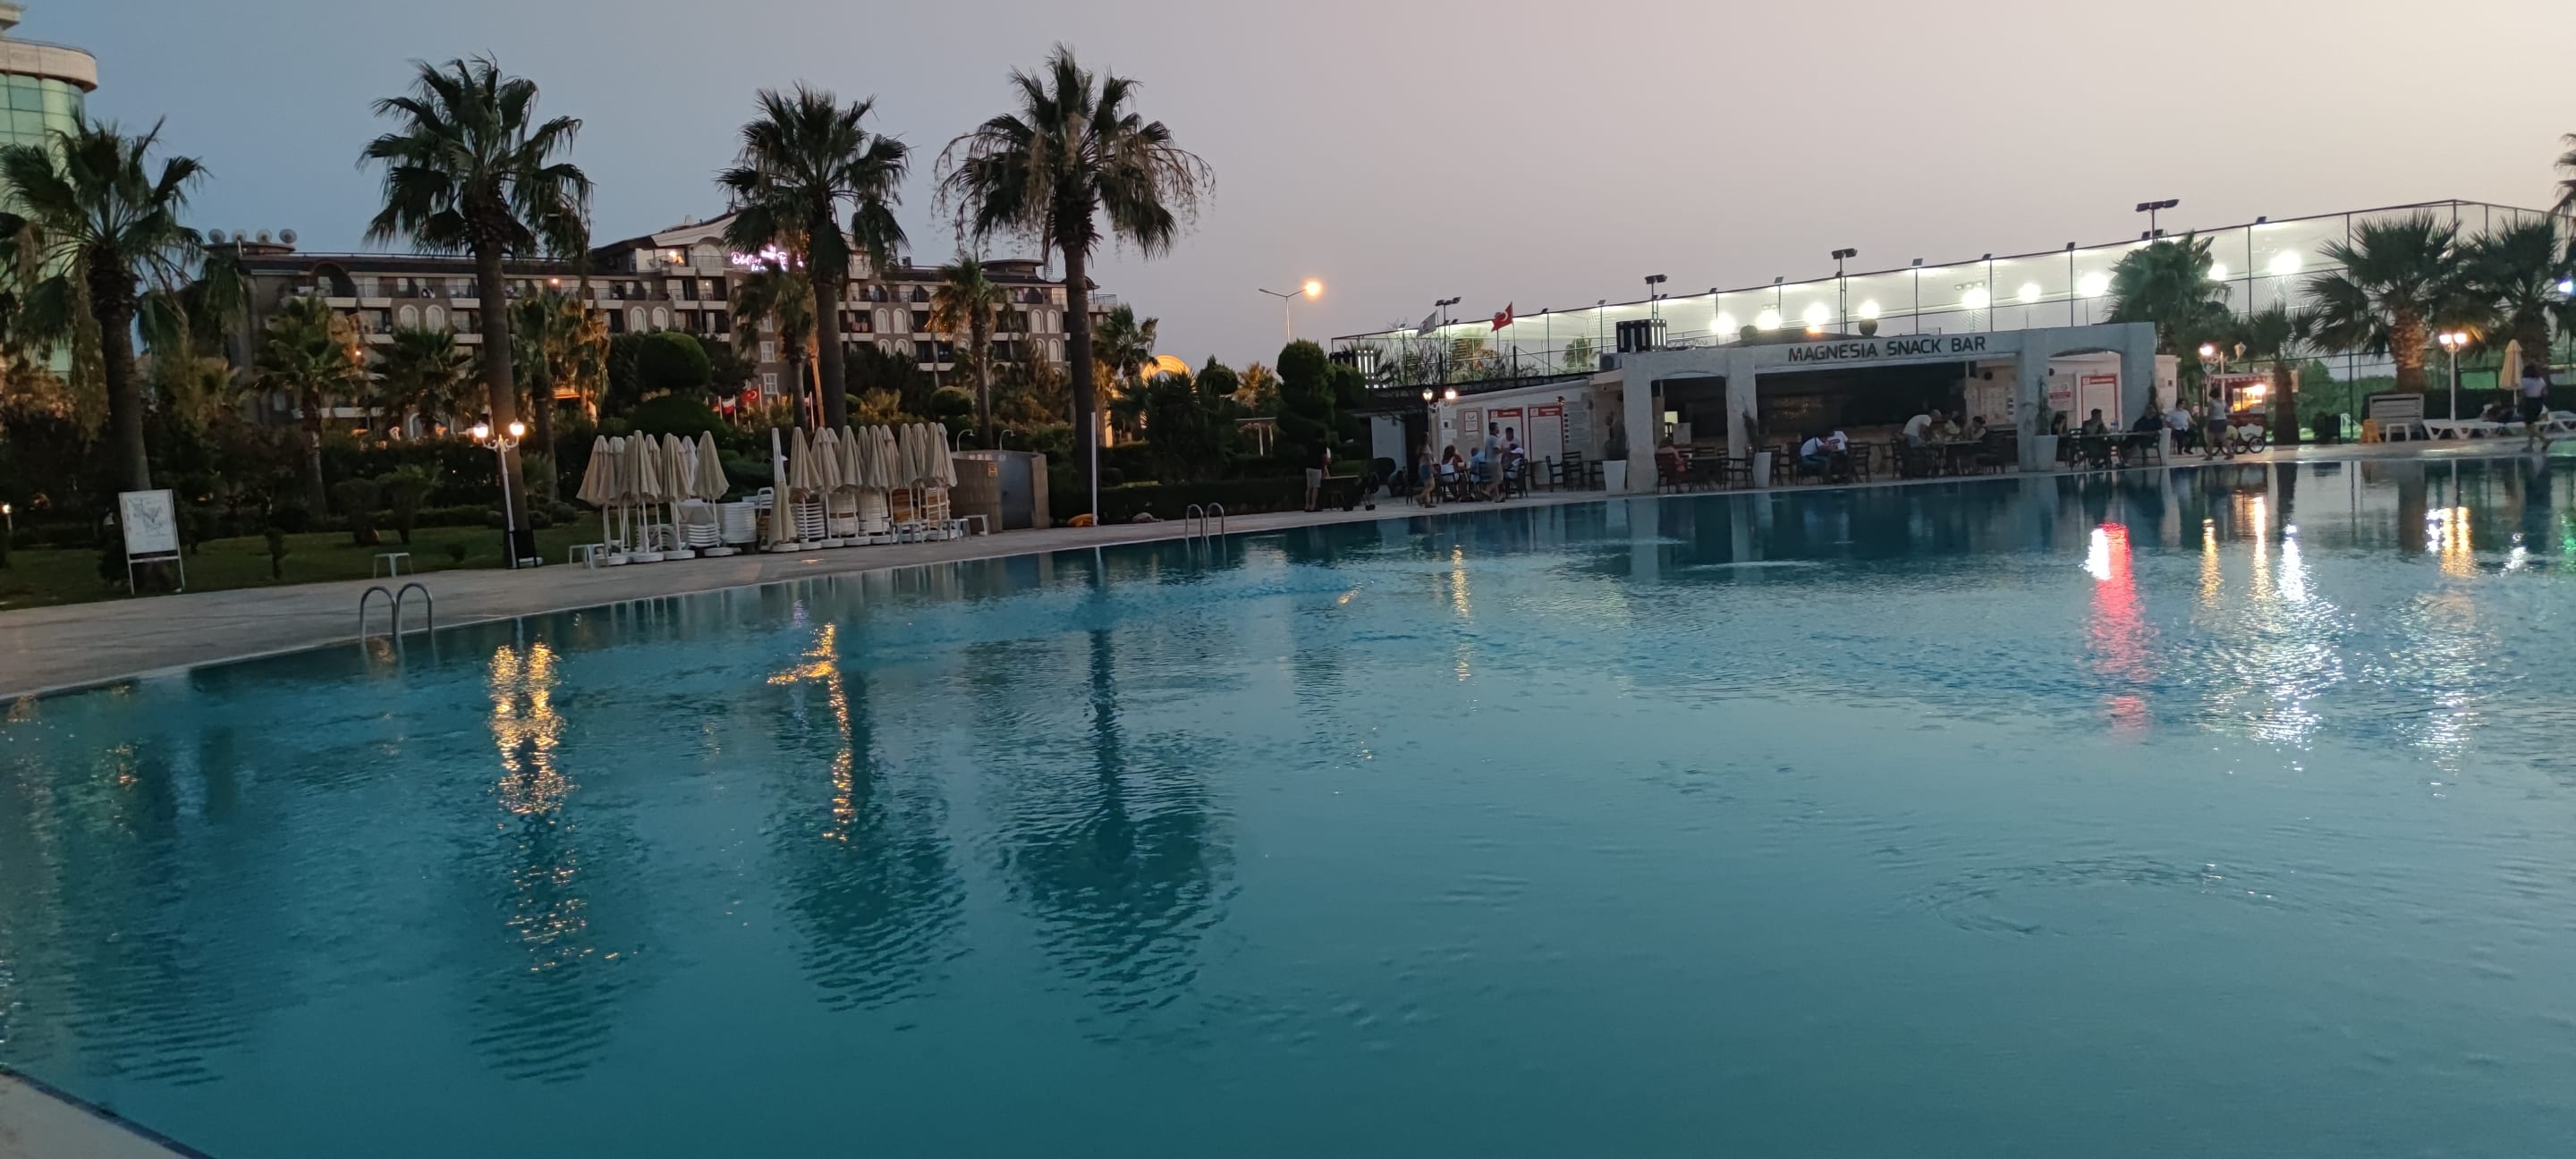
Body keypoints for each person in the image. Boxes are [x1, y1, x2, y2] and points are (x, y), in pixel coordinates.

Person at [2520, 362, 2553, 449]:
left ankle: (2545, 439)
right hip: (2539, 403)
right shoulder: (2540, 380)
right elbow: (2545, 392)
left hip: (2529, 403)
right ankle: (2529, 445)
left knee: (2529, 425)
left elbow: (2522, 393)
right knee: (2532, 425)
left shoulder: (2525, 380)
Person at [2202, 387, 2233, 461]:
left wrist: (2207, 422)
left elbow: (2210, 413)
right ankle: (2230, 453)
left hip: (2214, 421)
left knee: (2210, 439)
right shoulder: (2223, 401)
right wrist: (2221, 412)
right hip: (2223, 420)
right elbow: (2228, 410)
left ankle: (2210, 456)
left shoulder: (2211, 402)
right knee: (2223, 438)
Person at [1304, 439, 1333, 512]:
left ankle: (1307, 505)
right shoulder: (1322, 445)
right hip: (1317, 467)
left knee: (1309, 487)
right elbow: (1325, 458)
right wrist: (1328, 461)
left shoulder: (1311, 444)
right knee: (1316, 487)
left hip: (1308, 467)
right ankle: (1313, 506)